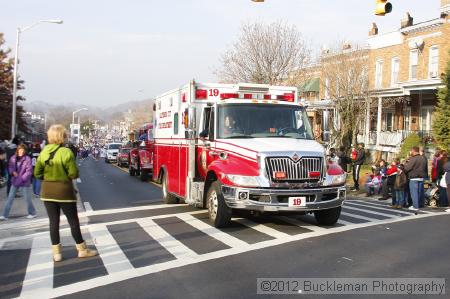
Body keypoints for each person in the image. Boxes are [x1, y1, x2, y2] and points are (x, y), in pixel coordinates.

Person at [34, 124, 97, 262]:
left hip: (47, 191)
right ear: (62, 136)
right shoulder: (66, 152)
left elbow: (37, 173)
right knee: (73, 221)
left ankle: (57, 253)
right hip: (64, 191)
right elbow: (74, 173)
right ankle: (82, 249)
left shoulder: (43, 152)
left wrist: (48, 176)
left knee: (53, 222)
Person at [0, 144, 36, 220]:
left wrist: (21, 178)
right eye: (20, 150)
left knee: (27, 198)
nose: (21, 151)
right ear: (17, 150)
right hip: (15, 181)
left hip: (24, 181)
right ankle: (5, 215)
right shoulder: (13, 158)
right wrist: (12, 172)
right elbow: (10, 166)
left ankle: (32, 213)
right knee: (10, 198)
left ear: (25, 151)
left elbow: (29, 171)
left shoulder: (27, 159)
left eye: (23, 150)